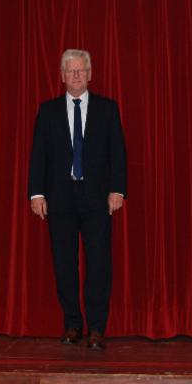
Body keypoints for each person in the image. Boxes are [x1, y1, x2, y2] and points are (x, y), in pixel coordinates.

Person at [28, 49, 127, 350]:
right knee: (64, 264)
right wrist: (36, 193)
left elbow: (118, 154)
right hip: (59, 198)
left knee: (98, 264)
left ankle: (97, 327)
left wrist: (117, 190)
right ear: (61, 76)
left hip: (97, 198)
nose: (76, 76)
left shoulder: (107, 109)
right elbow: (38, 156)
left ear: (90, 74)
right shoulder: (48, 111)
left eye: (81, 70)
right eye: (70, 71)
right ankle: (72, 324)